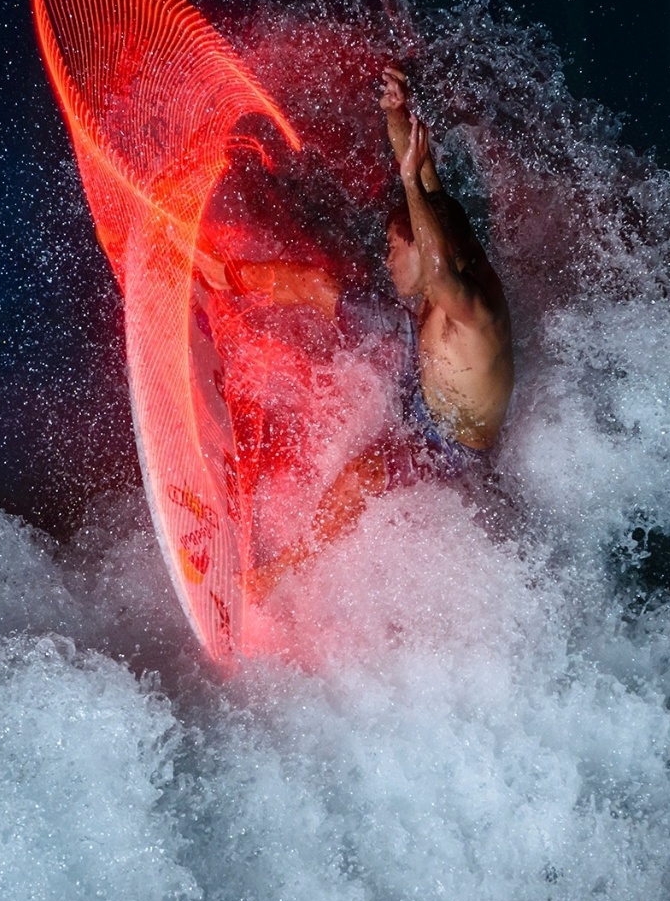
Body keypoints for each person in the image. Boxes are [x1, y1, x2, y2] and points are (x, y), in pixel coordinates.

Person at [196, 66, 513, 600]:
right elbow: (422, 172)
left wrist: (409, 182)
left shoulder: (473, 310)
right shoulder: (445, 244)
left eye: (394, 249)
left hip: (449, 441)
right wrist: (396, 114)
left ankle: (275, 577)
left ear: (424, 251)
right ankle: (224, 278)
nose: (387, 260)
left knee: (361, 475)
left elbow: (438, 269)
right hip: (418, 360)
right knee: (321, 287)